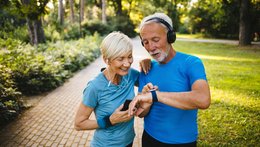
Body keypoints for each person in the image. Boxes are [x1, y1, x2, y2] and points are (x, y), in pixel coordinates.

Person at [129, 12, 211, 146]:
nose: (150, 47)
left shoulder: (191, 63)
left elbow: (203, 99)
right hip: (149, 138)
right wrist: (145, 104)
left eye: (155, 40)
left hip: (183, 142)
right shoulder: (146, 68)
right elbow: (142, 114)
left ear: (170, 36)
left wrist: (155, 96)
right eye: (146, 42)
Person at [74, 31, 150, 147]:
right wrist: (110, 121)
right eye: (120, 59)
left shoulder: (129, 74)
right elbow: (79, 124)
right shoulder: (94, 87)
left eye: (129, 56)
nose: (127, 64)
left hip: (129, 141)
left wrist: (147, 62)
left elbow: (147, 78)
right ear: (106, 60)